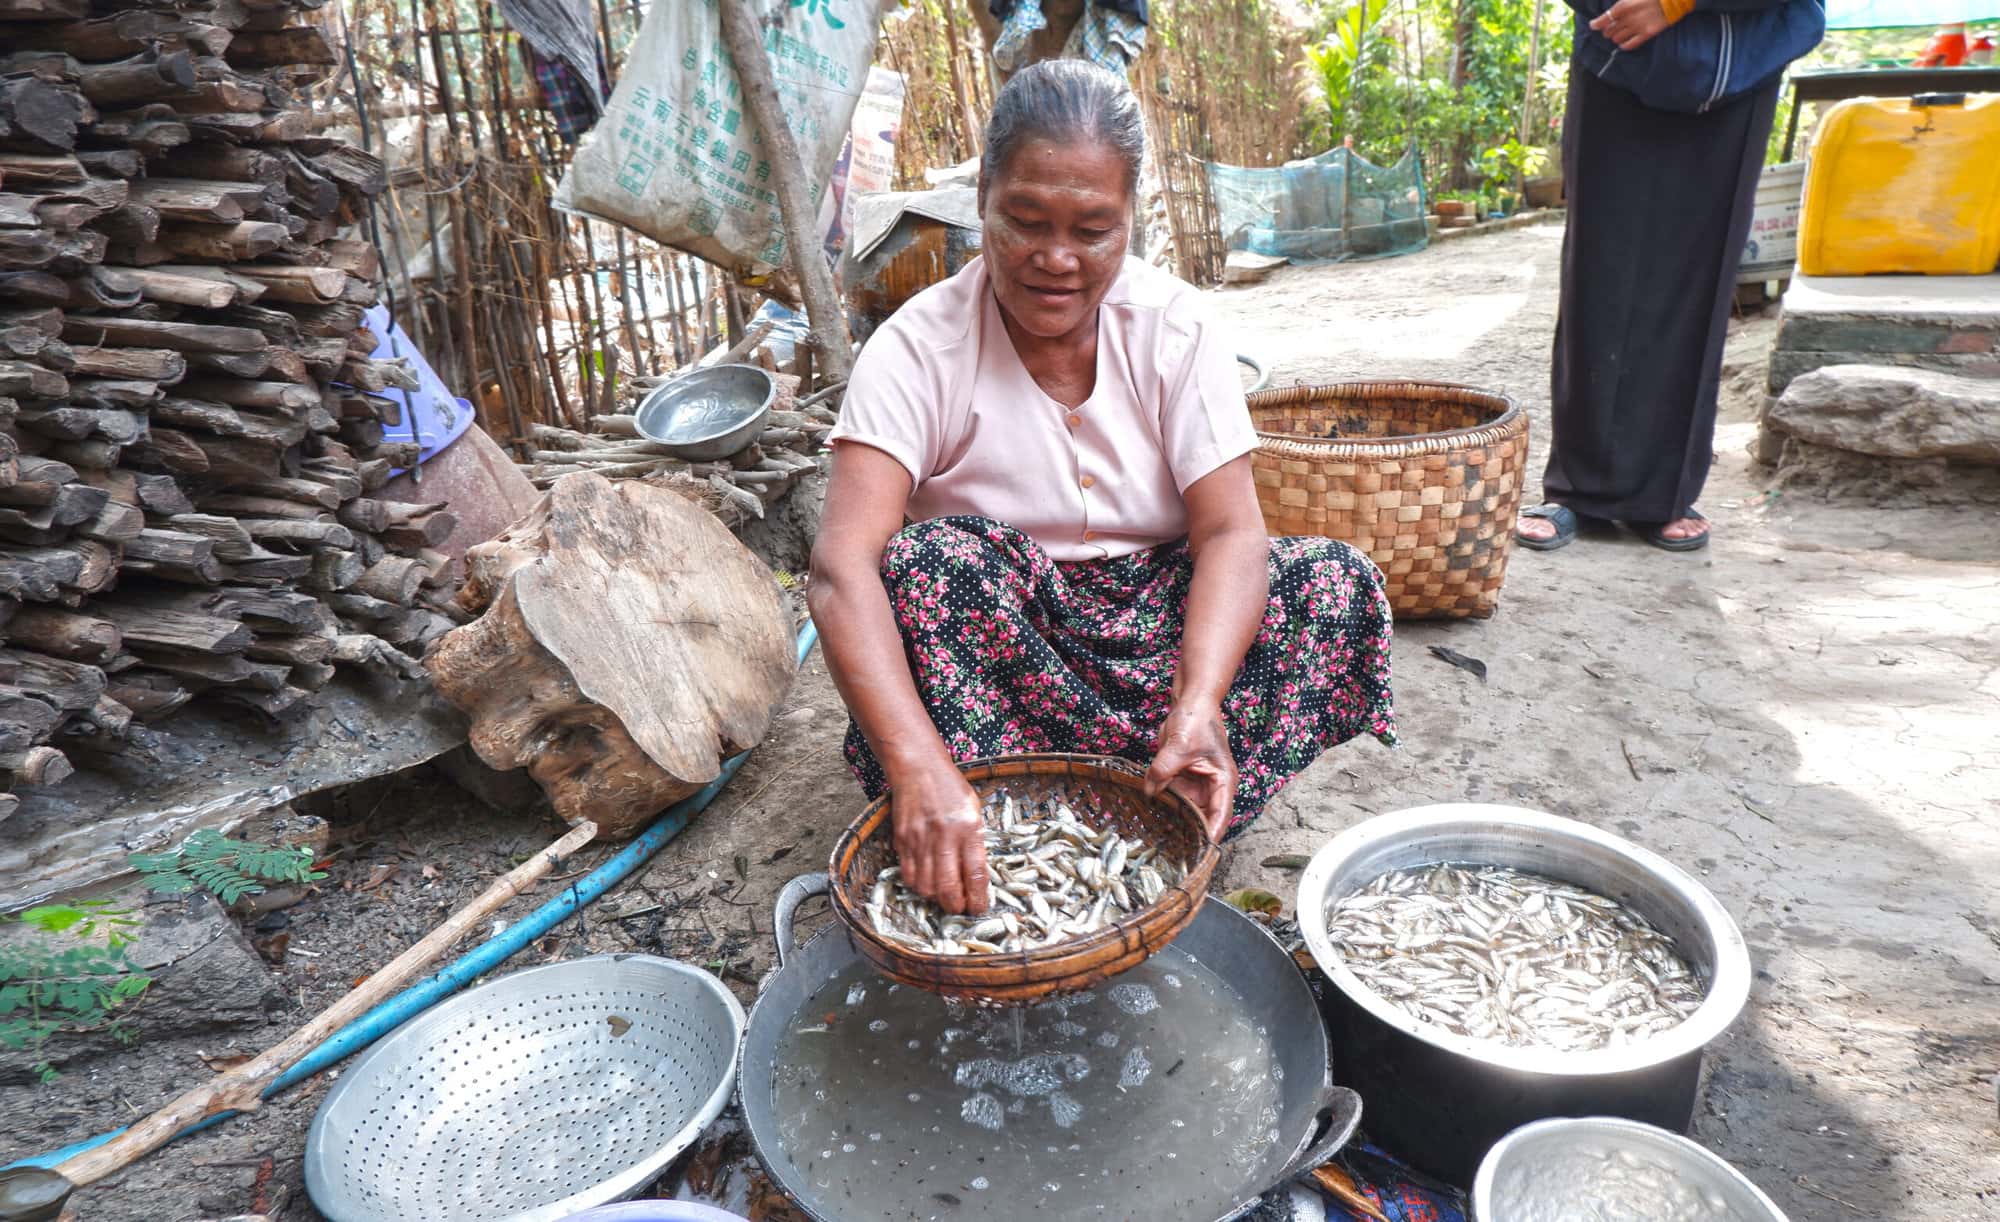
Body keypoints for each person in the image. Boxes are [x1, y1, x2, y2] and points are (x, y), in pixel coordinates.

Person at [808, 61, 1396, 916]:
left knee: (1333, 584)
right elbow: (839, 570)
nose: (1057, 259)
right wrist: (916, 765)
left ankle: (1172, 798)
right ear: (981, 199)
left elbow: (1232, 534)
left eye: (1093, 230)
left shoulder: (1175, 327)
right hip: (1007, 642)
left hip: (1160, 621)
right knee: (933, 566)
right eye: (1025, 220)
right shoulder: (916, 348)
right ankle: (985, 810)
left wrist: (1199, 705)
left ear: (1130, 224)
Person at [1515, 0, 1789, 554]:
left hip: (1734, 51)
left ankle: (1662, 494)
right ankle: (1577, 488)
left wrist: (1674, 4)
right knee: (1599, 266)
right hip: (1614, 42)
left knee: (1696, 271)